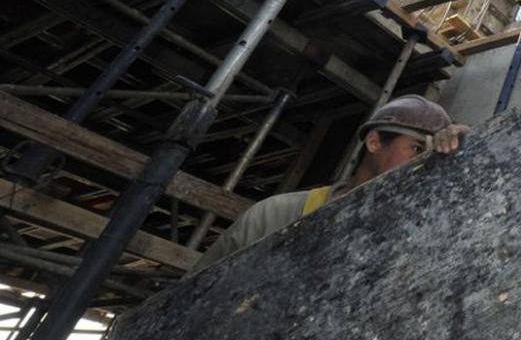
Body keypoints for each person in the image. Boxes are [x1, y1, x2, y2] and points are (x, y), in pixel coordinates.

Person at [191, 95, 468, 272]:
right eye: (417, 150)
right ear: (374, 142)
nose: (419, 165)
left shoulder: (411, 241)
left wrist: (472, 155)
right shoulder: (274, 216)